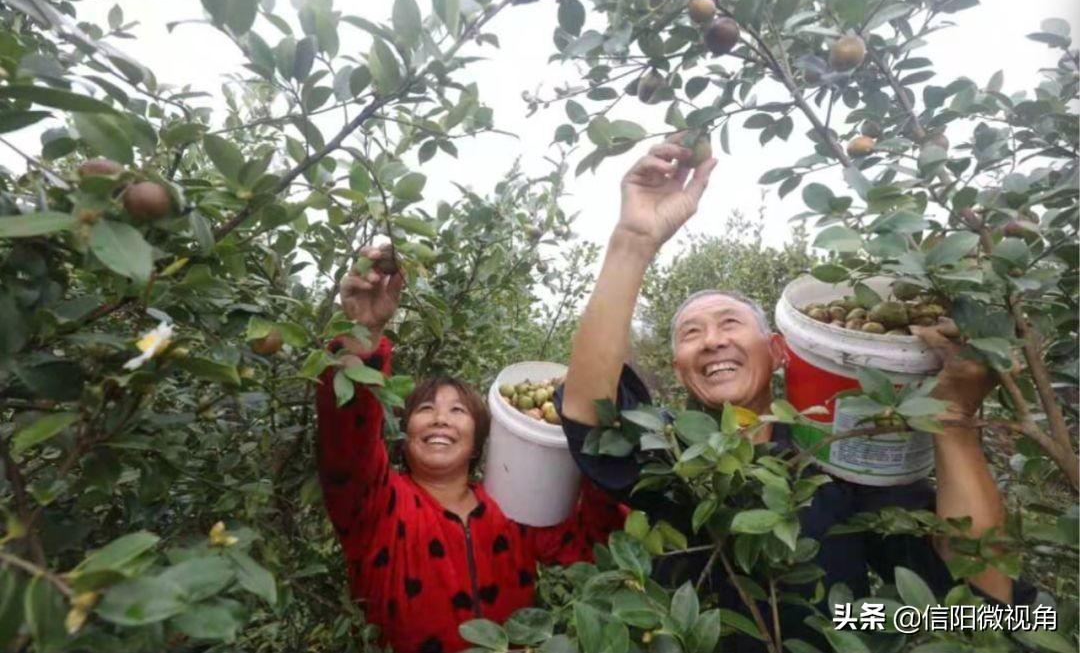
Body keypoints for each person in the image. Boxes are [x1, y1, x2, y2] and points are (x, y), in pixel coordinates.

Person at [556, 137, 1034, 650]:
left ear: (780, 351)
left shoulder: (840, 455)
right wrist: (633, 240)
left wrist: (955, 418)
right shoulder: (675, 455)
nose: (712, 340)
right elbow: (589, 415)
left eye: (730, 323)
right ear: (679, 369)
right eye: (691, 334)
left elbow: (989, 611)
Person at [316, 246, 626, 653]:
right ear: (405, 433)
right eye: (425, 409)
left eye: (457, 410)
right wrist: (361, 337)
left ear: (480, 438)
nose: (440, 419)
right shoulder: (379, 506)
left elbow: (593, 543)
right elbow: (346, 442)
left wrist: (593, 437)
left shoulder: (513, 508)